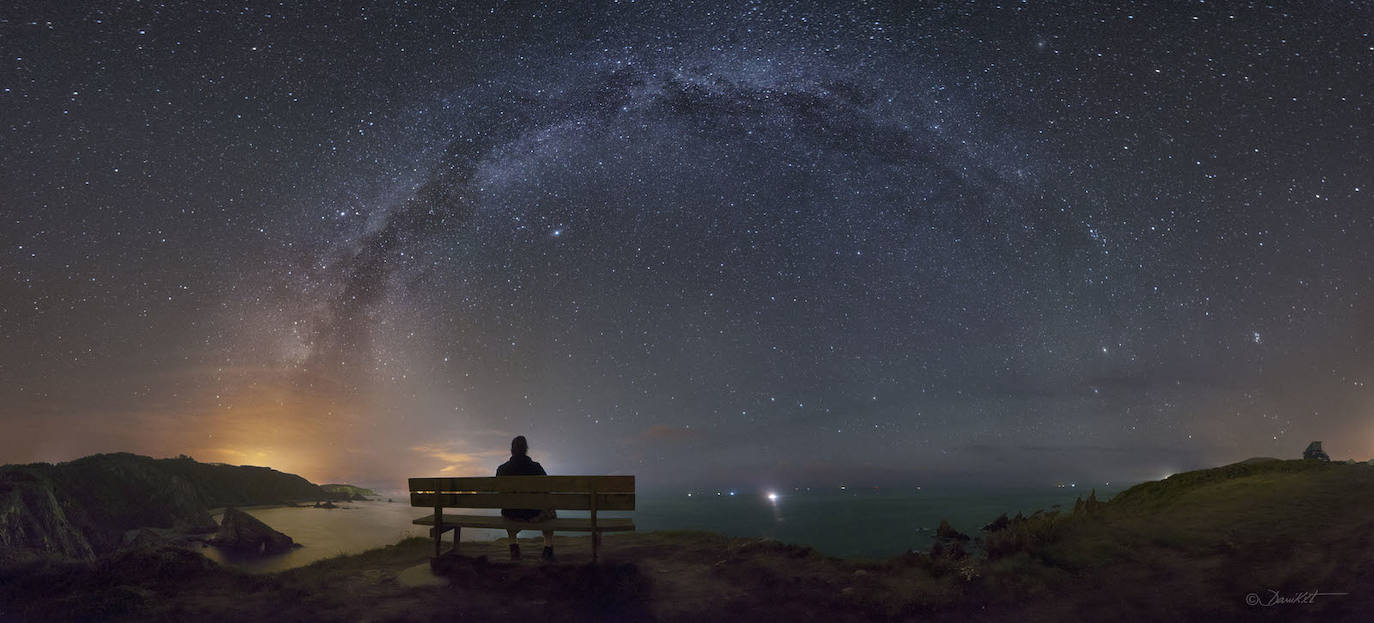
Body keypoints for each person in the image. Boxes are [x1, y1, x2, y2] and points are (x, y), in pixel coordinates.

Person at [497, 435, 555, 561]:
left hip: (511, 514)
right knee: (550, 510)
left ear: (511, 450)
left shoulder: (502, 469)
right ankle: (548, 547)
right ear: (526, 449)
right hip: (534, 514)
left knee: (508, 509)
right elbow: (547, 489)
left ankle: (514, 547)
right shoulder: (536, 467)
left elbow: (500, 494)